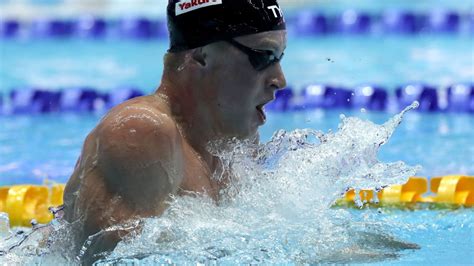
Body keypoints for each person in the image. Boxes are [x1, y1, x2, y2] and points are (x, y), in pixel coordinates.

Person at [62, 0, 287, 262]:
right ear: (202, 56)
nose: (280, 80)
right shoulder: (140, 133)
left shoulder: (230, 149)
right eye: (263, 56)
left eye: (280, 58)